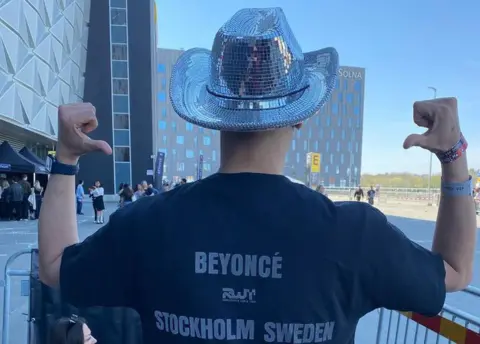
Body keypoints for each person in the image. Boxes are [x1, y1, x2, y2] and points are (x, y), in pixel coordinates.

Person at [38, 8, 475, 344]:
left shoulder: (148, 224)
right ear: (300, 116)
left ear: (213, 114)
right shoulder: (356, 233)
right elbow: (454, 271)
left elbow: (55, 268)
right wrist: (454, 156)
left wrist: (65, 160)